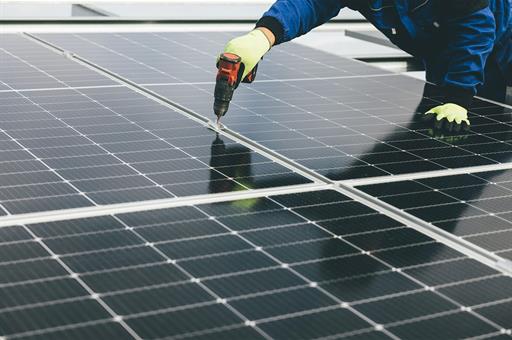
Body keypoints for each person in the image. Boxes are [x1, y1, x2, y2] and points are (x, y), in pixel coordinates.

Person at [219, 0, 512, 132]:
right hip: (442, 52)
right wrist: (263, 35)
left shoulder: (416, 249)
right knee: (435, 135)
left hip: (500, 43)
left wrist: (458, 97)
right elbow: (310, 3)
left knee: (478, 129)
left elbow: (476, 29)